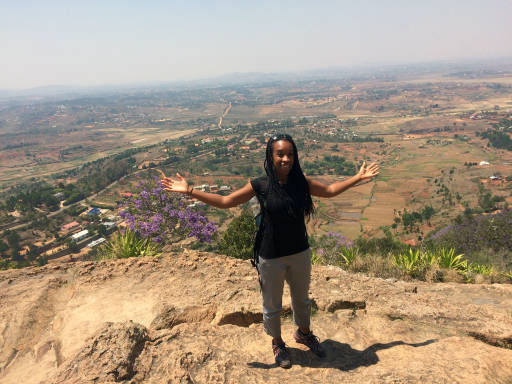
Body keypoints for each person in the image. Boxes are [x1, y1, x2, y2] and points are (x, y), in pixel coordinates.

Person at [160, 133, 379, 368]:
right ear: (271, 156)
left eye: (290, 154)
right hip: (270, 256)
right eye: (280, 154)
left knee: (302, 300)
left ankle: (304, 334)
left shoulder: (300, 183)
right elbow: (226, 201)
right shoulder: (260, 185)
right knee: (272, 304)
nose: (286, 159)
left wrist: (358, 177)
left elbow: (330, 190)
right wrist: (190, 190)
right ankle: (277, 343)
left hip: (300, 252)